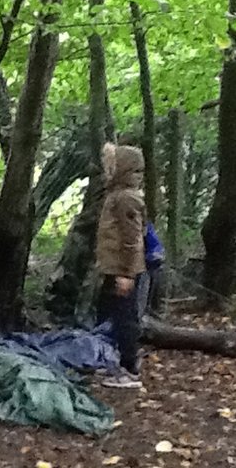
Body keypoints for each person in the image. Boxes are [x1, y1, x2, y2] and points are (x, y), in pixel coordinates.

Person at [95, 142, 147, 389]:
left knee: (126, 318)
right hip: (114, 268)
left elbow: (132, 238)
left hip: (123, 270)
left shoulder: (126, 198)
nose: (107, 169)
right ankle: (117, 362)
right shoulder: (116, 194)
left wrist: (126, 273)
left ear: (122, 169)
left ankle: (130, 369)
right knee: (112, 314)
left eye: (112, 165)